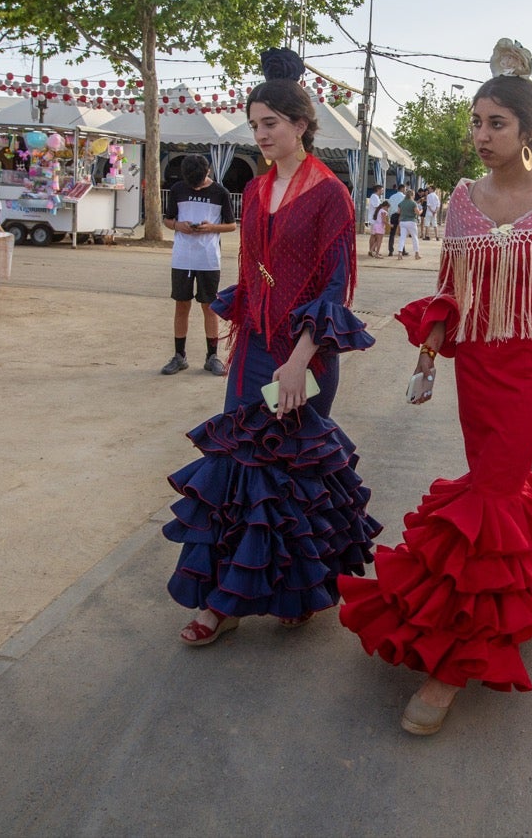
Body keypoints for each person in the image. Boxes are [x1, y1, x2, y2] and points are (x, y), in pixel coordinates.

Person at [338, 41, 532, 737]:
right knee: (491, 480)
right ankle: (523, 588)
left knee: (495, 490)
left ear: (528, 129)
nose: (480, 136)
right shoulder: (463, 203)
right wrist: (427, 357)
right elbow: (449, 289)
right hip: (476, 363)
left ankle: (452, 665)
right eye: (475, 122)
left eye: (495, 123)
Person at [163, 48, 379, 645]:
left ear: (301, 125)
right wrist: (252, 341)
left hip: (305, 355)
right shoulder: (254, 192)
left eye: (271, 124)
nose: (260, 135)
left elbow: (335, 286)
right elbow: (253, 270)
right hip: (253, 347)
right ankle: (219, 603)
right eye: (255, 124)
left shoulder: (332, 193)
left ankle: (294, 590)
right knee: (235, 469)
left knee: (290, 476)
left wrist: (300, 357)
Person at [160, 154, 236, 377]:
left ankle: (212, 356)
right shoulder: (177, 189)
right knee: (181, 304)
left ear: (208, 173)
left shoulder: (220, 192)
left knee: (209, 306)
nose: (195, 186)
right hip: (182, 257)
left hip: (208, 258)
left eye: (199, 182)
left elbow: (231, 225)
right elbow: (167, 219)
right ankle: (179, 356)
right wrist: (177, 225)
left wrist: (211, 227)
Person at [396, 186, 421, 259]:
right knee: (414, 237)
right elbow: (418, 213)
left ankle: (400, 253)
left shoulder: (401, 203)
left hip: (402, 222)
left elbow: (398, 212)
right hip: (411, 221)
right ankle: (416, 254)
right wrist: (421, 210)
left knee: (402, 237)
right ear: (412, 195)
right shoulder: (413, 203)